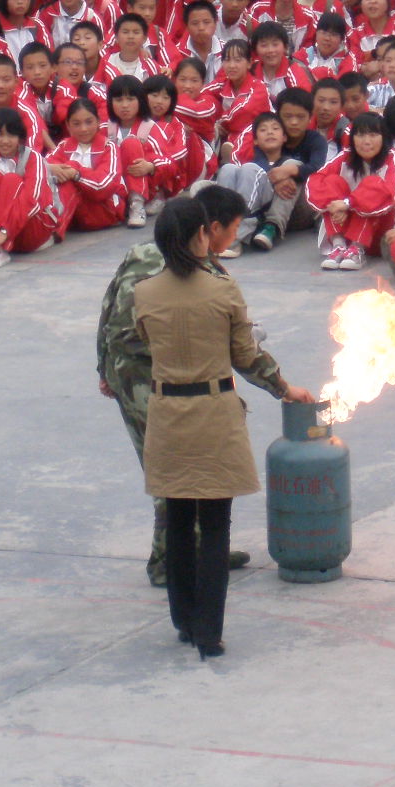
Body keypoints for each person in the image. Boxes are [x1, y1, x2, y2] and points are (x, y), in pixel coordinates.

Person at [133, 196, 311, 657]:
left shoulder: (145, 292)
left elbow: (146, 343)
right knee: (214, 525)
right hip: (213, 411)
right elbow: (245, 356)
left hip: (168, 412)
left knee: (176, 518)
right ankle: (210, 631)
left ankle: (184, 619)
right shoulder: (223, 290)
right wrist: (283, 387)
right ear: (200, 235)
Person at [95, 183, 265, 586]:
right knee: (173, 472)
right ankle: (168, 563)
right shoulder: (200, 271)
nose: (231, 240)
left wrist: (103, 367)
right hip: (151, 380)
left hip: (126, 371)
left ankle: (202, 550)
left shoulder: (138, 253)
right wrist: (280, 385)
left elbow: (105, 311)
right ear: (210, 229)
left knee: (186, 467)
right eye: (232, 230)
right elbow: (229, 348)